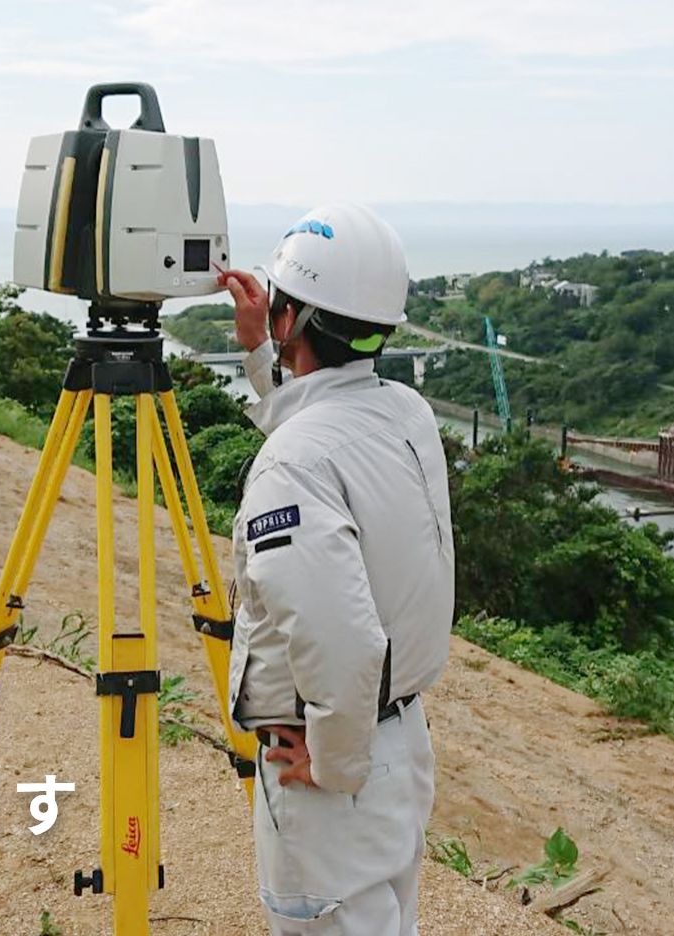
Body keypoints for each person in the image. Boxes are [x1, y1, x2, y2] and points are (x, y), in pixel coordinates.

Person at [215, 204, 455, 936]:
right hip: (399, 743)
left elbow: (341, 639)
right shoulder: (404, 411)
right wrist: (264, 354)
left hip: (336, 765)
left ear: (295, 317)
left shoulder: (295, 462)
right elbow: (319, 426)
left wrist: (333, 762)